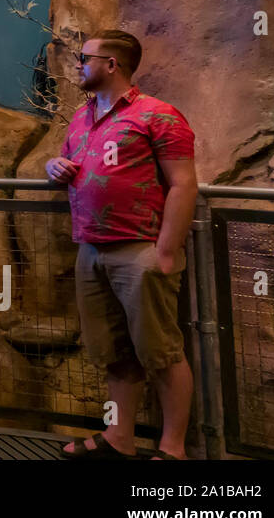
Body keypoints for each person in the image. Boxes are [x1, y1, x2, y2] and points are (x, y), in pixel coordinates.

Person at [45, 29, 198, 460]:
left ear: (111, 64)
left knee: (161, 351)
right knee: (113, 352)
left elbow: (184, 185)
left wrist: (165, 252)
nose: (78, 65)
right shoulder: (81, 116)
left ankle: (173, 449)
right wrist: (52, 165)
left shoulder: (159, 115)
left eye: (84, 58)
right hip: (90, 250)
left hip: (139, 251)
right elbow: (67, 162)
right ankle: (119, 438)